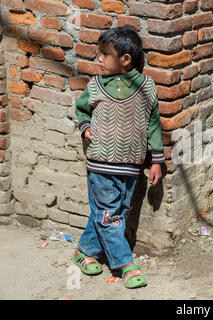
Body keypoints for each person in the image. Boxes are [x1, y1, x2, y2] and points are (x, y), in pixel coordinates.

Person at [73, 25, 165, 289]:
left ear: (125, 59)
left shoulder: (146, 87)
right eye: (98, 54)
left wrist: (157, 160)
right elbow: (82, 110)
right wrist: (85, 126)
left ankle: (84, 251)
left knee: (115, 212)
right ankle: (125, 264)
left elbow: (154, 124)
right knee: (109, 215)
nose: (99, 59)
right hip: (100, 164)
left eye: (104, 54)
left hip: (132, 166)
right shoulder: (95, 86)